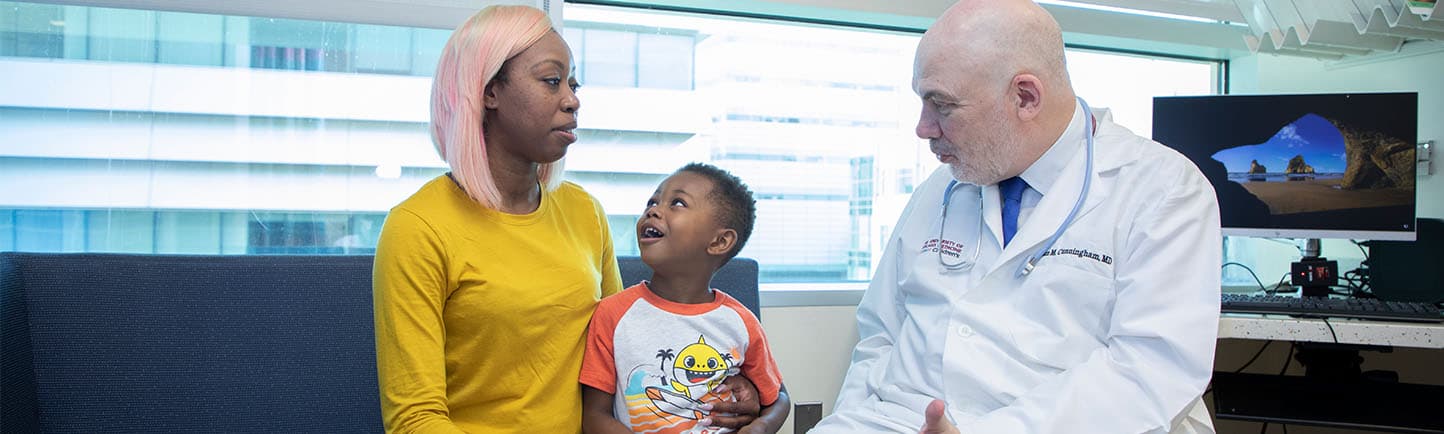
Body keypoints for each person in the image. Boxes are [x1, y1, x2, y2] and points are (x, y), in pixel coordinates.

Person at [811, 1, 1222, 433]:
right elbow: (880, 332)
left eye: (942, 106)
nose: (923, 128)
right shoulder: (942, 188)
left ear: (1025, 97)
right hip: (901, 421)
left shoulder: (1162, 190)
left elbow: (1150, 369)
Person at [372, 7, 760, 433]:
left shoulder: (584, 211)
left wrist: (739, 389)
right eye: (551, 80)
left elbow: (628, 346)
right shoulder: (418, 227)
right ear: (488, 91)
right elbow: (415, 419)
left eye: (573, 84)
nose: (572, 99)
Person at [579, 163, 790, 434]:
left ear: (719, 241)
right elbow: (594, 417)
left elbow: (779, 399)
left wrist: (761, 427)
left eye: (677, 203)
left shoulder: (740, 322)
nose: (653, 210)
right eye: (652, 201)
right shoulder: (612, 314)